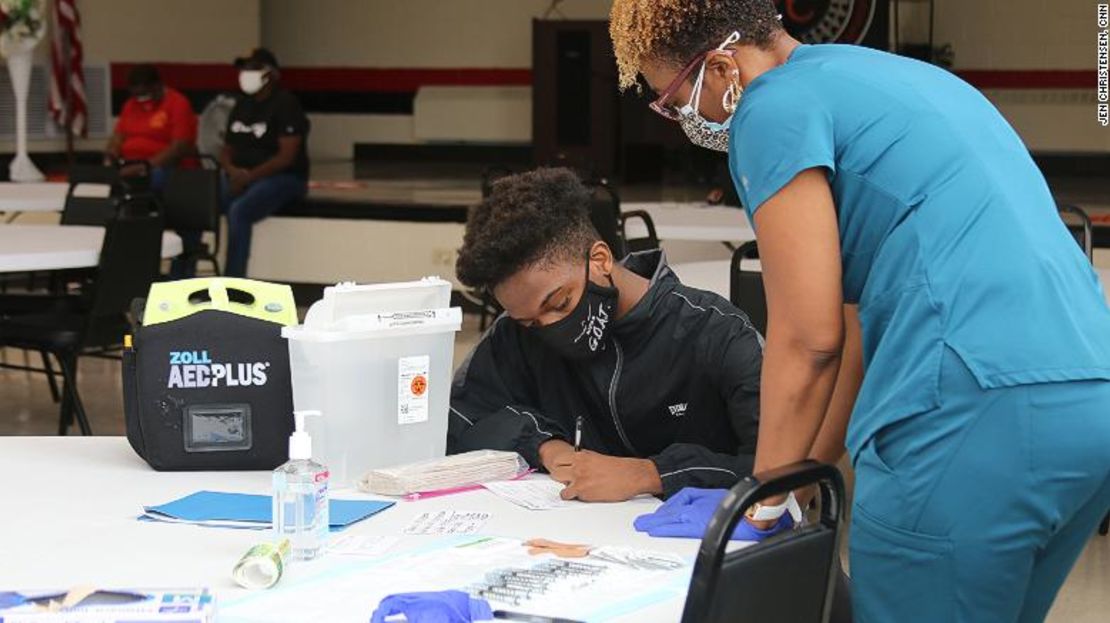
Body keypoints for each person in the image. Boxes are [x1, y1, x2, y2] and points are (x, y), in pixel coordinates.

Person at [608, 1, 1110, 621]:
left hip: (968, 411)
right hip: (1087, 400)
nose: (682, 117)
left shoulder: (770, 110)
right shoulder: (890, 78)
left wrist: (755, 505)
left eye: (674, 98)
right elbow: (848, 327)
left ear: (719, 66)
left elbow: (807, 337)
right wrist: (800, 477)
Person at [448, 167, 763, 503]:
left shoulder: (714, 332)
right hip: (568, 540)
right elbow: (462, 416)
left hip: (698, 541)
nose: (549, 327)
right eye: (530, 322)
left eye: (560, 303)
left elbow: (779, 467)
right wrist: (544, 444)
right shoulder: (515, 337)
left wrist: (652, 474)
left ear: (599, 259)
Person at [176, 47, 310, 279]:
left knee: (239, 212)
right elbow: (227, 149)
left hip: (283, 178)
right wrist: (231, 171)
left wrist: (248, 177)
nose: (246, 74)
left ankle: (232, 285)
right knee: (195, 204)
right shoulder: (242, 105)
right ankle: (180, 279)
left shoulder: (286, 104)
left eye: (253, 69)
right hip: (240, 175)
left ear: (270, 74)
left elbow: (286, 157)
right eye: (244, 69)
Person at [103, 64, 197, 191]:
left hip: (163, 167)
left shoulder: (178, 103)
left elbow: (178, 148)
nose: (140, 100)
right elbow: (118, 136)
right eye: (136, 95)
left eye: (144, 95)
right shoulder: (130, 105)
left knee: (146, 178)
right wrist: (111, 155)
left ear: (157, 86)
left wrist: (145, 166)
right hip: (129, 164)